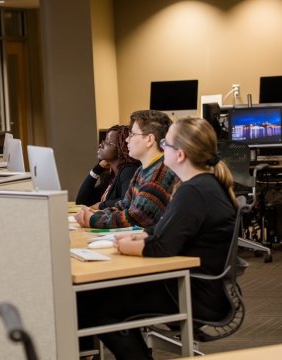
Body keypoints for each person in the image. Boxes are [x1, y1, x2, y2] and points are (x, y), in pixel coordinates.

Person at [77, 117, 238, 359]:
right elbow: (163, 230)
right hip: (192, 283)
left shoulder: (193, 192)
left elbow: (163, 244)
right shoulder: (199, 185)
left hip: (194, 292)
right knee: (96, 298)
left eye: (167, 144)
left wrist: (123, 245)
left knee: (93, 305)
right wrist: (141, 236)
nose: (162, 149)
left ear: (180, 154)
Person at [74, 110, 177, 229]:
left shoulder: (160, 172)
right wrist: (96, 213)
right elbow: (124, 206)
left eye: (132, 134)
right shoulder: (142, 170)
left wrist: (93, 219)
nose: (127, 140)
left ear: (149, 140)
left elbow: (137, 217)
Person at [75, 125, 140, 208]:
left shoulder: (129, 171)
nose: (101, 145)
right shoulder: (112, 176)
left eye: (107, 142)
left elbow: (126, 201)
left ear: (121, 147)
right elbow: (82, 201)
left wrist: (101, 205)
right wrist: (97, 169)